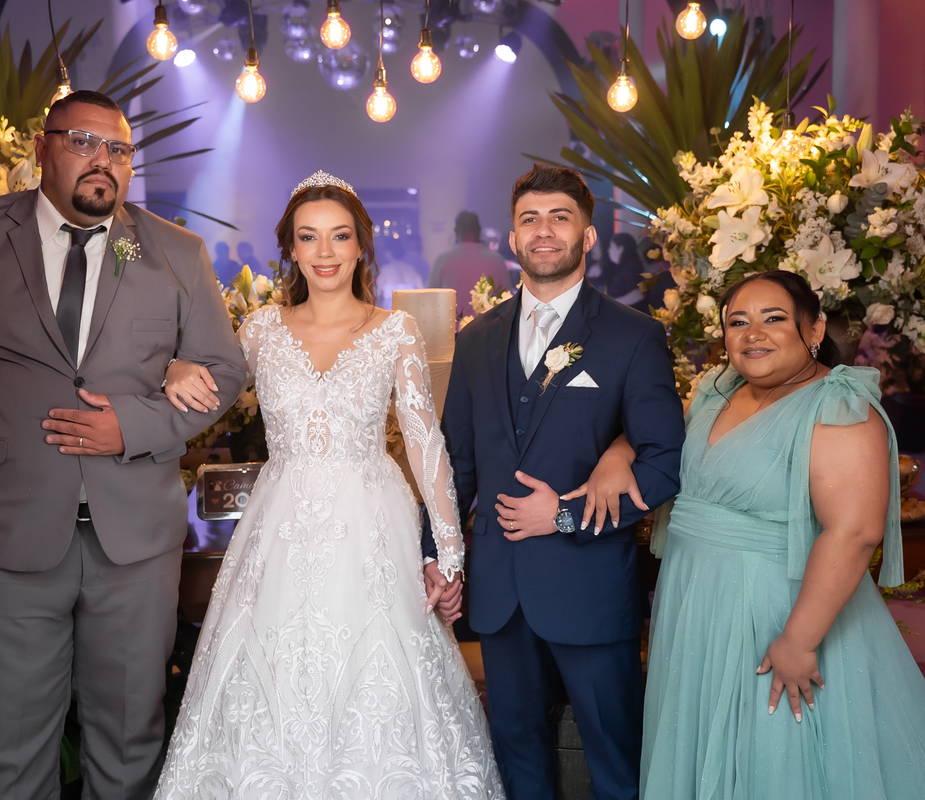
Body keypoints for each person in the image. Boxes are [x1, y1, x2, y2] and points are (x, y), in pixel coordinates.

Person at [0, 90, 249, 799]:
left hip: (133, 544)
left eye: (119, 150)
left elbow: (223, 372)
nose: (103, 160)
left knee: (130, 744)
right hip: (2, 534)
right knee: (7, 753)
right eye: (83, 142)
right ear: (42, 150)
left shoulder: (175, 251)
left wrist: (132, 426)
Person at [153, 171, 502, 799]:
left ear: (361, 245)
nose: (325, 252)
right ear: (290, 247)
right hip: (280, 523)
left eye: (340, 236)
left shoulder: (395, 331)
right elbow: (209, 388)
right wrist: (174, 365)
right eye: (309, 236)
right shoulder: (260, 330)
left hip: (372, 522)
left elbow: (425, 444)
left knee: (381, 676)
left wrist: (448, 554)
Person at [579, 270, 925, 799]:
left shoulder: (837, 405)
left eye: (773, 319)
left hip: (779, 610)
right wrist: (618, 454)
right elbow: (657, 436)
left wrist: (799, 640)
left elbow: (855, 531)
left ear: (814, 329)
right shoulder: (717, 391)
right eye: (737, 322)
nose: (753, 334)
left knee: (774, 752)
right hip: (695, 602)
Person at [431, 163, 685, 800]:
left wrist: (567, 515)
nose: (544, 231)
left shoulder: (633, 336)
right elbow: (455, 464)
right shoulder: (476, 338)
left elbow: (664, 460)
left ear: (588, 235)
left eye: (560, 218)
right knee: (517, 755)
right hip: (500, 589)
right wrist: (438, 557)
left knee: (614, 760)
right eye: (530, 219)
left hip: (588, 585)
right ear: (512, 237)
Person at [427, 210, 511, 316]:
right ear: (479, 230)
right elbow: (507, 302)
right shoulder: (497, 261)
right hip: (487, 325)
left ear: (456, 231)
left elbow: (430, 300)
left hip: (452, 325)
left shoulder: (442, 261)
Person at [376, 234, 425, 308]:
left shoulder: (385, 270)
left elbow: (376, 293)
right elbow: (423, 292)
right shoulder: (411, 269)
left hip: (391, 313)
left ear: (388, 252)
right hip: (410, 311)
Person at [603, 232, 644, 307]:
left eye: (611, 247)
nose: (608, 250)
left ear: (620, 249)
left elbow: (638, 294)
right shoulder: (623, 268)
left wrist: (612, 304)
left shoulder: (630, 268)